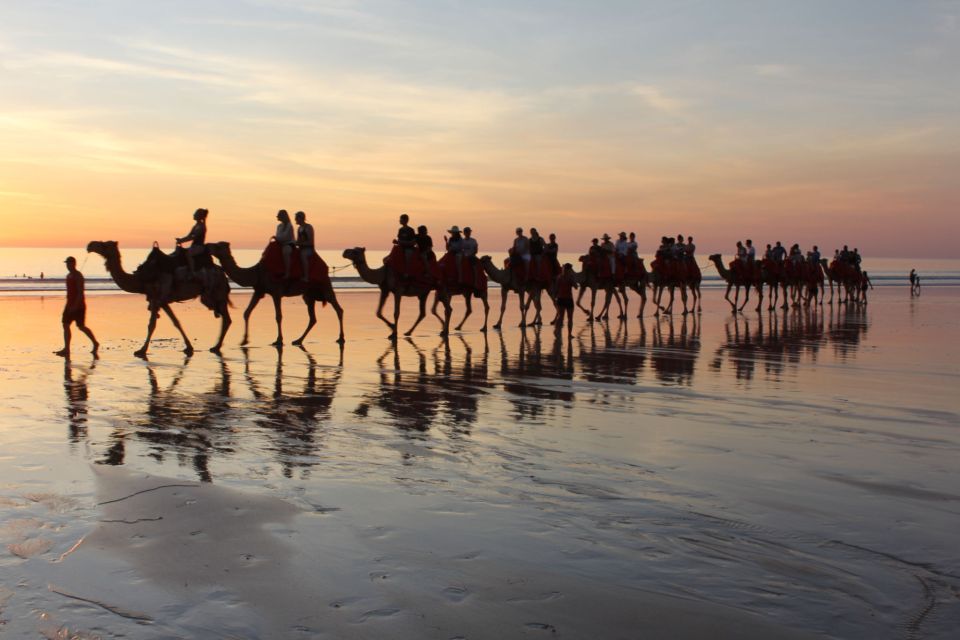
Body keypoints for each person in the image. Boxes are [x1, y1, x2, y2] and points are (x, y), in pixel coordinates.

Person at [55, 257, 98, 358]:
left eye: (69, 263)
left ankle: (95, 343)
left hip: (79, 306)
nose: (67, 265)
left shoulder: (78, 275)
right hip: (69, 304)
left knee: (81, 327)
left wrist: (75, 305)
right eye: (66, 263)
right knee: (65, 324)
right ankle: (66, 349)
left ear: (74, 263)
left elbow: (80, 292)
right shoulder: (68, 275)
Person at [176, 207, 208, 277]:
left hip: (199, 247)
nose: (193, 215)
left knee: (188, 254)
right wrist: (180, 240)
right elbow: (188, 236)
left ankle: (193, 272)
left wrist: (182, 240)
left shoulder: (202, 226)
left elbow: (193, 237)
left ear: (199, 216)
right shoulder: (195, 226)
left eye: (195, 213)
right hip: (194, 246)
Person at [554, 263, 578, 338]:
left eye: (567, 270)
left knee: (570, 318)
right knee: (561, 317)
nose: (566, 271)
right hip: (561, 299)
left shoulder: (570, 277)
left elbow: (576, 287)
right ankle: (556, 331)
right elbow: (556, 289)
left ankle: (569, 334)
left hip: (568, 299)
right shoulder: (559, 278)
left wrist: (573, 280)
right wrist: (555, 298)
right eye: (565, 269)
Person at [295, 211, 315, 282]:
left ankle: (306, 276)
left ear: (301, 218)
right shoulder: (299, 228)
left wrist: (300, 244)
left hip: (309, 249)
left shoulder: (308, 227)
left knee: (303, 255)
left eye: (296, 218)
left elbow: (310, 241)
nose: (295, 220)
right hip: (301, 248)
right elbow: (298, 240)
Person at [275, 209, 295, 279]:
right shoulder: (279, 226)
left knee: (286, 252)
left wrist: (277, 238)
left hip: (288, 244)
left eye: (279, 216)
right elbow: (278, 236)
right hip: (280, 244)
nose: (277, 217)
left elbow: (286, 237)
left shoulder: (289, 226)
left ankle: (288, 272)